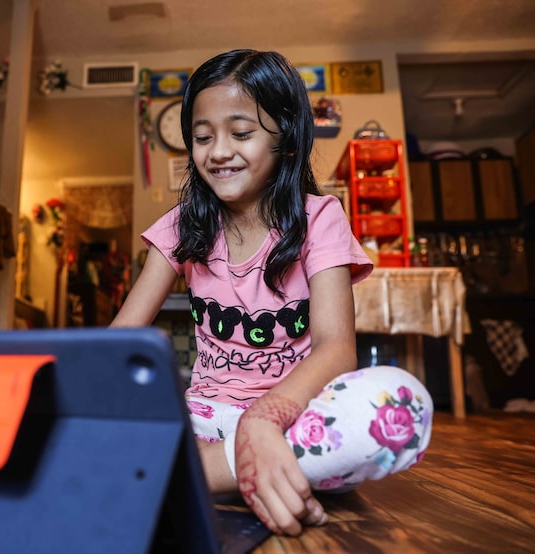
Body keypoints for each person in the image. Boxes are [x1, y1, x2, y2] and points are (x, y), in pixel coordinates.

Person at [110, 49, 432, 537]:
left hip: (295, 417)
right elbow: (118, 343)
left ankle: (190, 475)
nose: (217, 151)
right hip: (205, 419)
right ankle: (255, 471)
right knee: (98, 418)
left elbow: (335, 347)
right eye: (202, 137)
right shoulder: (180, 226)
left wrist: (262, 421)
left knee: (403, 404)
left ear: (285, 137)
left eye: (241, 134)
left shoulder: (320, 219)